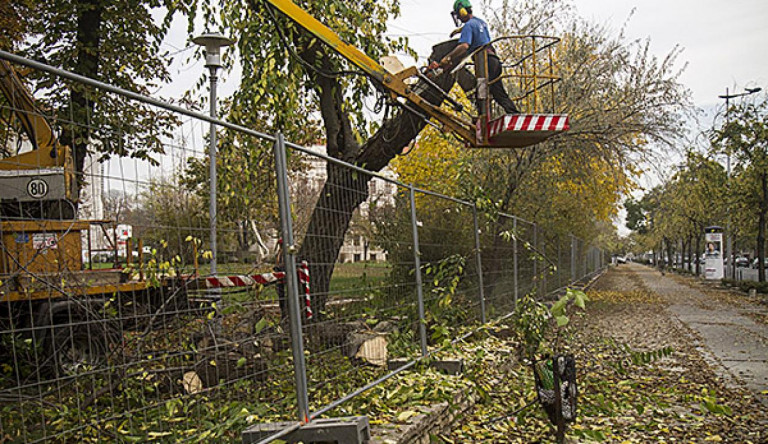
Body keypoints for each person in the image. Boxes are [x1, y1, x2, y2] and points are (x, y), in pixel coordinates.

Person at [429, 0, 519, 115]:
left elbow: (464, 46)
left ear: (462, 12)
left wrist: (447, 58)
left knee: (481, 93)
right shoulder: (480, 22)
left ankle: (483, 119)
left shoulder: (468, 25)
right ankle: (514, 113)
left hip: (484, 63)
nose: (458, 18)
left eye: (458, 14)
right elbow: (475, 28)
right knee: (499, 93)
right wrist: (460, 30)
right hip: (494, 60)